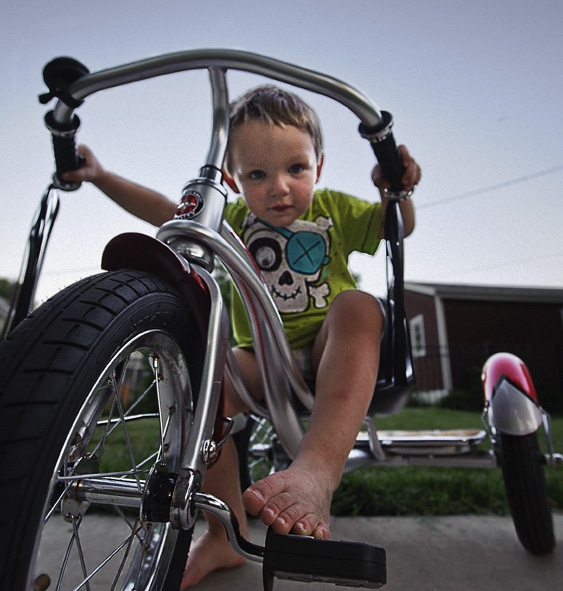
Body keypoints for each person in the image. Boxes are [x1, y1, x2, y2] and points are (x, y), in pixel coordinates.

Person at [63, 85, 421, 588]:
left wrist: (395, 191)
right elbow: (163, 209)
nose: (278, 187)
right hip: (260, 358)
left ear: (319, 164)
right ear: (232, 178)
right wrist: (99, 176)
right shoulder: (233, 221)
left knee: (360, 306)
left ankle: (316, 470)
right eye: (257, 174)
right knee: (207, 378)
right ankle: (221, 531)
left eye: (296, 169)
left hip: (327, 350)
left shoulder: (336, 211)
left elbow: (396, 227)